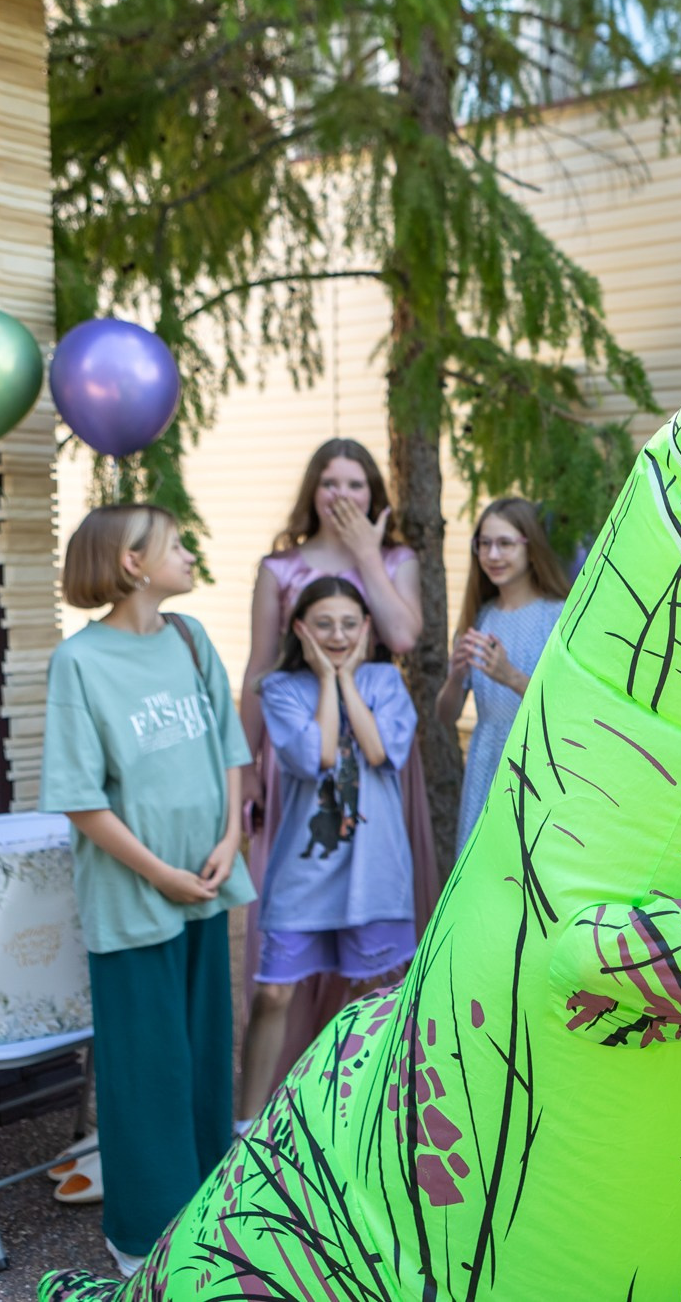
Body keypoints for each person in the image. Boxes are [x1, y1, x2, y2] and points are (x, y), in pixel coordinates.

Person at [40, 505, 253, 1279]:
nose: (190, 553)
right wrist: (159, 872)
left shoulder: (193, 640)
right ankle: (144, 1236)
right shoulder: (80, 662)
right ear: (133, 564)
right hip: (135, 900)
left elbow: (228, 748)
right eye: (176, 544)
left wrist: (231, 836)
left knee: (203, 1059)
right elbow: (78, 795)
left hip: (206, 885)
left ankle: (211, 1209)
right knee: (146, 1066)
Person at [237, 438, 440, 1101]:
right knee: (293, 922)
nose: (343, 495)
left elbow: (404, 635)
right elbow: (258, 670)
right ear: (312, 490)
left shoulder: (394, 559)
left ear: (374, 494)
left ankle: (353, 1084)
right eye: (330, 482)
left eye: (356, 483)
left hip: (372, 750)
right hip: (297, 752)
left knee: (367, 923)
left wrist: (364, 559)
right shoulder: (281, 566)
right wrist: (245, 770)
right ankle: (278, 1086)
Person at [239, 578, 417, 1123]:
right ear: (300, 629)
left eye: (348, 623)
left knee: (372, 997)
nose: (337, 634)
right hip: (305, 872)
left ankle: (349, 1117)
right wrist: (325, 679)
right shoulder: (280, 689)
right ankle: (243, 1126)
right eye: (323, 624)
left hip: (375, 871)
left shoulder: (385, 680)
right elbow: (315, 755)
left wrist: (344, 679)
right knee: (273, 995)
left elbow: (379, 750)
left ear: (366, 627)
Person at [434, 498, 570, 855]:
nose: (493, 554)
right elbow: (445, 715)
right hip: (485, 761)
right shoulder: (479, 617)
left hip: (539, 763)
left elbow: (568, 707)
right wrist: (455, 675)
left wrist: (510, 676)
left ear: (531, 546)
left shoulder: (556, 616)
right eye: (484, 543)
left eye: (505, 543)